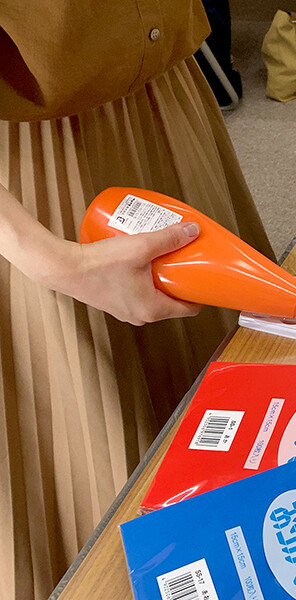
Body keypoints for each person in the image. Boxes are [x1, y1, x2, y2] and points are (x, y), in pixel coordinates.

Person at [0, 2, 274, 598]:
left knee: (241, 408)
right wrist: (52, 259)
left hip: (166, 104)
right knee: (105, 464)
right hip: (35, 174)